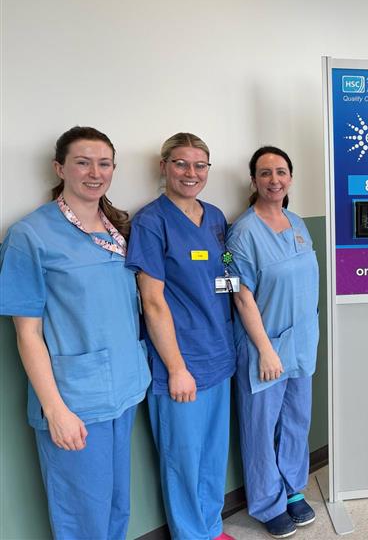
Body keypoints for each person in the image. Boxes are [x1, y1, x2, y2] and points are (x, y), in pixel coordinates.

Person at [0, 126, 150, 538]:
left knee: (117, 505)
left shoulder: (116, 229)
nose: (94, 172)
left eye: (104, 163)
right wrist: (55, 410)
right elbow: (27, 333)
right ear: (59, 168)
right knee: (83, 516)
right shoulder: (30, 236)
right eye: (82, 162)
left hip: (123, 387)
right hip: (75, 400)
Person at [126, 133, 236, 540]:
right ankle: (192, 535)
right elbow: (152, 302)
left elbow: (225, 274)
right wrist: (175, 368)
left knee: (211, 453)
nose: (191, 173)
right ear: (164, 166)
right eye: (181, 164)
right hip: (181, 360)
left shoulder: (216, 218)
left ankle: (211, 526)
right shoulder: (151, 222)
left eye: (200, 165)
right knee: (183, 458)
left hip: (218, 353)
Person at [226, 146, 319, 539]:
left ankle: (293, 489)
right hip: (263, 345)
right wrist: (264, 348)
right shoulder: (242, 232)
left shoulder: (297, 222)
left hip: (301, 342)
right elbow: (240, 295)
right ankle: (267, 501)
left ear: (291, 178)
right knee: (261, 427)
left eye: (281, 172)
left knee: (296, 420)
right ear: (254, 181)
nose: (274, 180)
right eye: (265, 173)